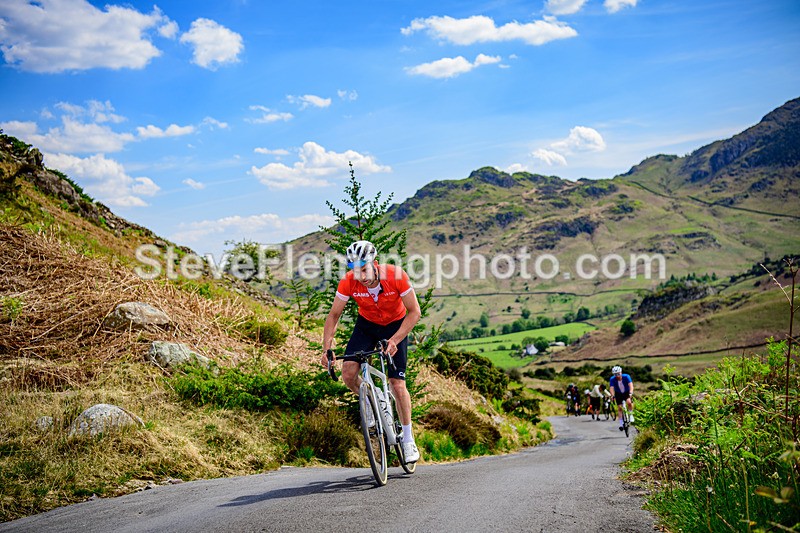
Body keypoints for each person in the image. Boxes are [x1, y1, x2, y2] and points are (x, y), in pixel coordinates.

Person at [322, 240, 422, 463]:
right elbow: (334, 315)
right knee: (348, 373)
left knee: (397, 384)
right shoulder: (348, 282)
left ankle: (408, 439)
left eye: (364, 269)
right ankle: (372, 397)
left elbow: (414, 312)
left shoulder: (396, 276)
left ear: (375, 264)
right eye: (355, 271)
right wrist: (327, 348)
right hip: (366, 326)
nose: (361, 276)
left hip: (395, 325)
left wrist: (395, 340)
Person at [609, 365, 634, 430]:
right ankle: (621, 423)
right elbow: (611, 388)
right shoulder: (612, 379)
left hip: (626, 392)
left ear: (621, 372)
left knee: (629, 402)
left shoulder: (626, 376)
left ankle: (631, 415)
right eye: (615, 374)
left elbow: (631, 385)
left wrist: (631, 392)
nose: (617, 376)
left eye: (618, 374)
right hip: (618, 393)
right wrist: (612, 395)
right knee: (619, 408)